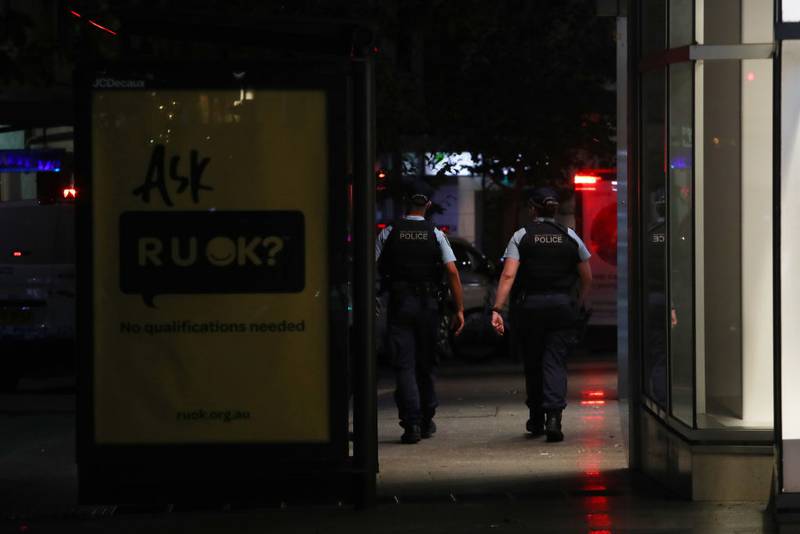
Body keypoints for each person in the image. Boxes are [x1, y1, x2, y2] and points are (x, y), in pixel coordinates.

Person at [490, 186, 592, 442]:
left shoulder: (522, 236)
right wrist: (577, 301)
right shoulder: (570, 236)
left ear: (533, 209)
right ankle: (554, 417)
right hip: (562, 309)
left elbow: (509, 275)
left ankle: (536, 418)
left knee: (534, 363)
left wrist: (497, 308)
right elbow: (586, 276)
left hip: (530, 309)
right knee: (555, 362)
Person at [376, 180, 465, 444]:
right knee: (426, 364)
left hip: (400, 304)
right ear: (427, 204)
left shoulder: (389, 232)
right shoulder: (435, 233)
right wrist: (459, 309)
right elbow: (452, 271)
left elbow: (368, 265)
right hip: (429, 307)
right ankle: (426, 419)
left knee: (404, 365)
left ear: (406, 202)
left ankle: (411, 424)